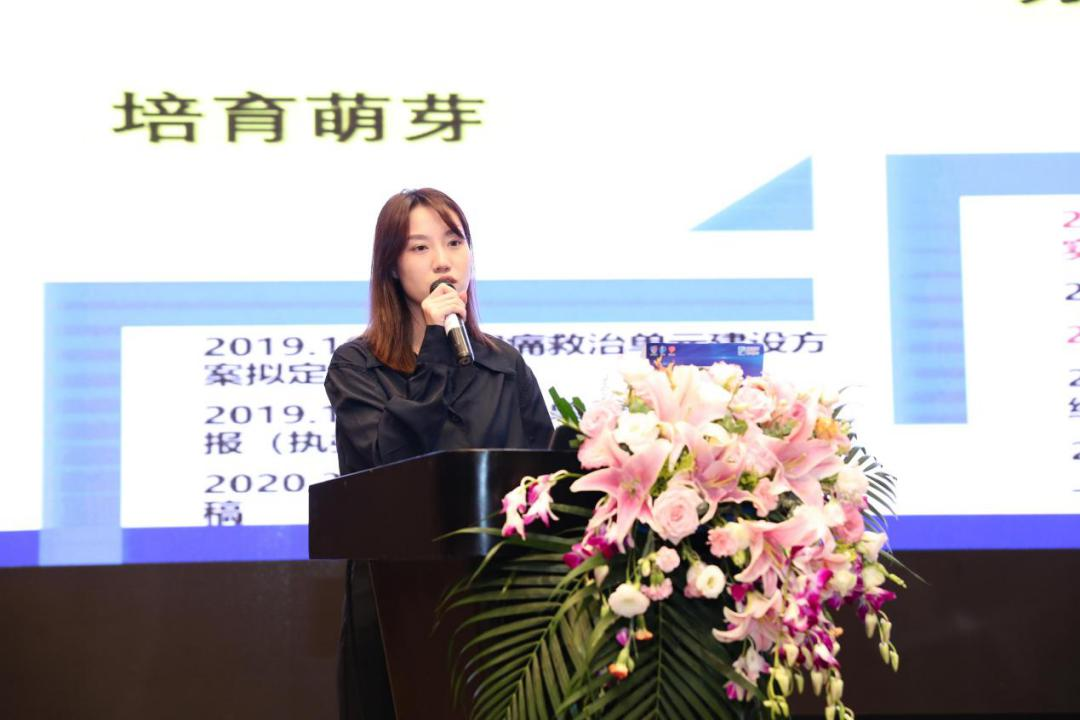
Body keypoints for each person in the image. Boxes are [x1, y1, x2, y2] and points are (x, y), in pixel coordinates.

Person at [324, 188, 553, 719]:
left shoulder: (503, 364)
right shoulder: (357, 367)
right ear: (391, 266)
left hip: (503, 609)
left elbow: (546, 474)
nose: (444, 261)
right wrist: (433, 348)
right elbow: (387, 464)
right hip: (398, 607)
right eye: (420, 247)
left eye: (454, 242)